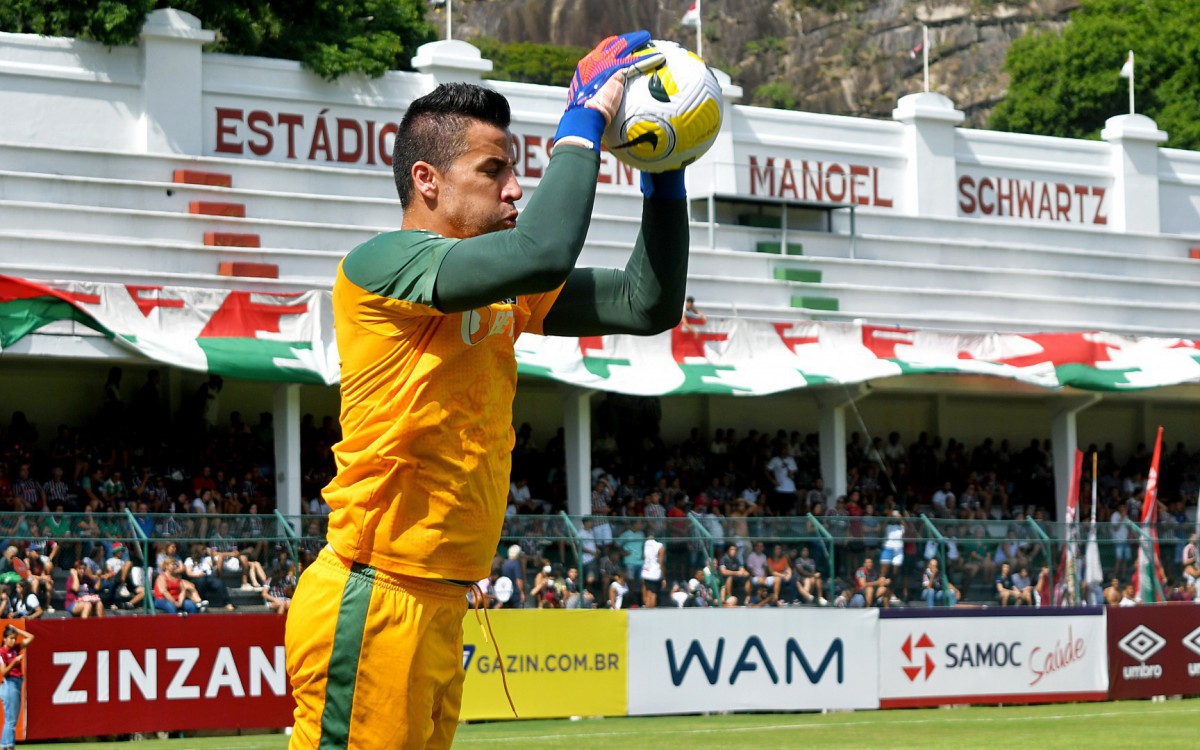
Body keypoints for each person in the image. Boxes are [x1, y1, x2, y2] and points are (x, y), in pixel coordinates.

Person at [285, 32, 686, 749]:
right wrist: (584, 124)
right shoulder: (380, 265)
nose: (515, 189)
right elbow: (543, 251)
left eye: (516, 170)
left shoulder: (506, 289)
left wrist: (664, 174)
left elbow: (645, 302)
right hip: (374, 596)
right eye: (493, 170)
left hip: (441, 601)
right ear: (427, 180)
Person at [0, 625, 33, 750]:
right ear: (4, 639)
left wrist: (16, 629)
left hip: (16, 684)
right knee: (10, 720)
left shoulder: (15, 649)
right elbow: (3, 672)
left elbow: (31, 637)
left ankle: (6, 745)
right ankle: (7, 746)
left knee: (11, 719)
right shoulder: (2, 652)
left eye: (14, 638)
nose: (13, 641)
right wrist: (14, 662)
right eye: (10, 638)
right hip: (10, 683)